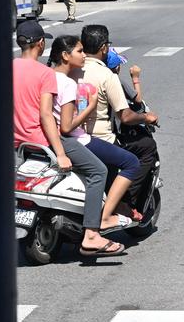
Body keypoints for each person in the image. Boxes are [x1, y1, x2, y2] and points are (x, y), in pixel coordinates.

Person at [12, 21, 123, 257]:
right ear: (41, 44)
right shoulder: (46, 74)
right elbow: (45, 115)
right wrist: (60, 152)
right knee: (99, 171)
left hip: (20, 144)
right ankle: (92, 235)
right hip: (45, 140)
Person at [49, 36, 142, 234]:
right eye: (79, 51)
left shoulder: (48, 76)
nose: (83, 56)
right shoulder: (68, 83)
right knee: (129, 163)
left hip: (57, 139)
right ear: (65, 56)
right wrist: (89, 107)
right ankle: (105, 217)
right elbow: (67, 127)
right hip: (77, 138)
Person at [79, 24, 160, 218]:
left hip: (72, 135)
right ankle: (123, 202)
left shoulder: (72, 69)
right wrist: (146, 117)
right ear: (104, 48)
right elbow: (125, 116)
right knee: (146, 148)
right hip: (100, 138)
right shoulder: (107, 75)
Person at [105, 50, 159, 212]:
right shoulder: (113, 80)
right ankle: (127, 200)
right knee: (147, 147)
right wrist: (135, 78)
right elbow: (137, 103)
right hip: (108, 136)